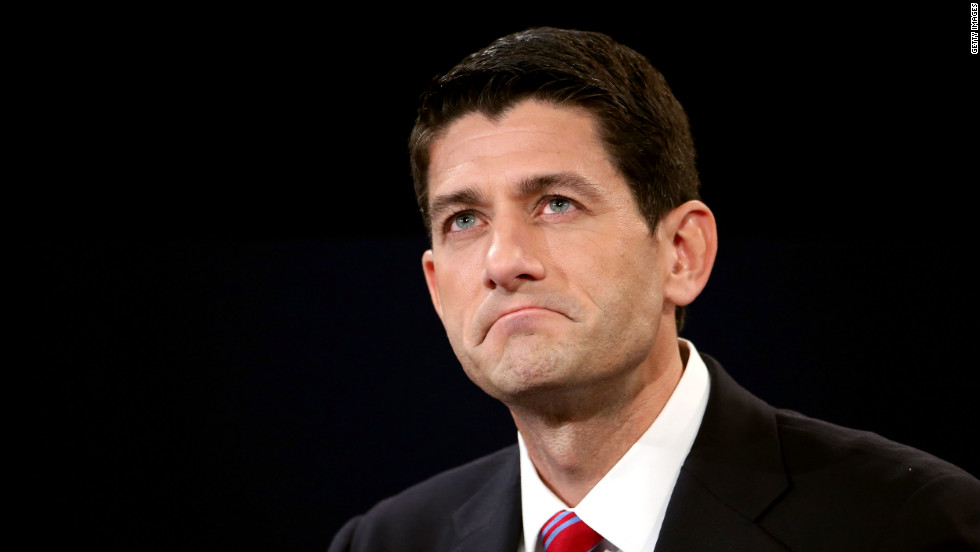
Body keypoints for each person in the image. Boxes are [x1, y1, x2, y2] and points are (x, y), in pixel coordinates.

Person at [329, 27, 979, 552]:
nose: (503, 261)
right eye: (464, 220)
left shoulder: (907, 524)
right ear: (438, 289)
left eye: (556, 203)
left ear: (681, 253)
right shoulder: (385, 540)